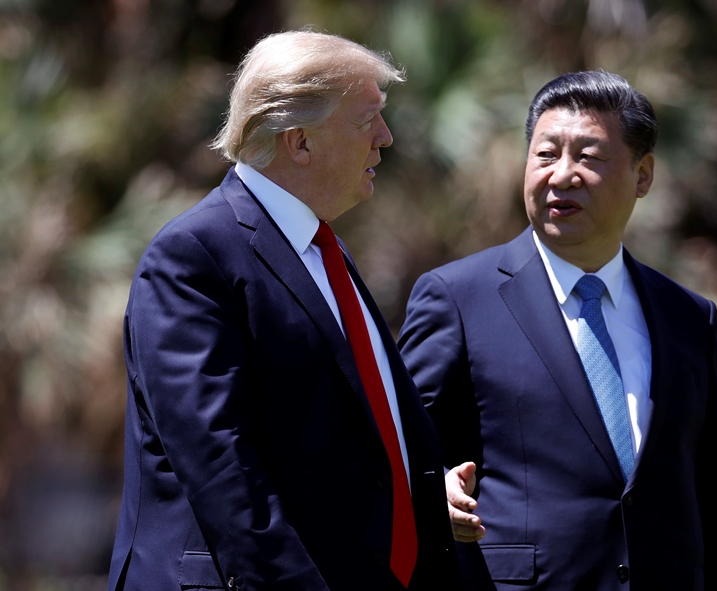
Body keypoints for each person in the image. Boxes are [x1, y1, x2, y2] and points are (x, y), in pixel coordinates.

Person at [107, 30, 458, 591]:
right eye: (367, 120)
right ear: (299, 140)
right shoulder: (192, 257)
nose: (386, 139)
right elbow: (223, 469)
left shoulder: (325, 251)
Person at [398, 71, 717, 590]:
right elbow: (393, 454)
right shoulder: (457, 298)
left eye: (588, 157)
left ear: (643, 175)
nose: (562, 175)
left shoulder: (689, 317)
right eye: (546, 154)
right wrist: (431, 495)